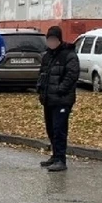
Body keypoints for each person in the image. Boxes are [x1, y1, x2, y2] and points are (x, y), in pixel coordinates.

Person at [36, 26, 80, 172]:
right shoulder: (47, 56)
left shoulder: (68, 55)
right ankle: (55, 156)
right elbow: (42, 74)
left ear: (59, 40)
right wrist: (40, 89)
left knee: (59, 129)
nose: (51, 42)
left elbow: (72, 75)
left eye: (54, 39)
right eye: (49, 40)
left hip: (62, 100)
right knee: (50, 129)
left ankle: (61, 159)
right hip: (48, 99)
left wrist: (60, 89)